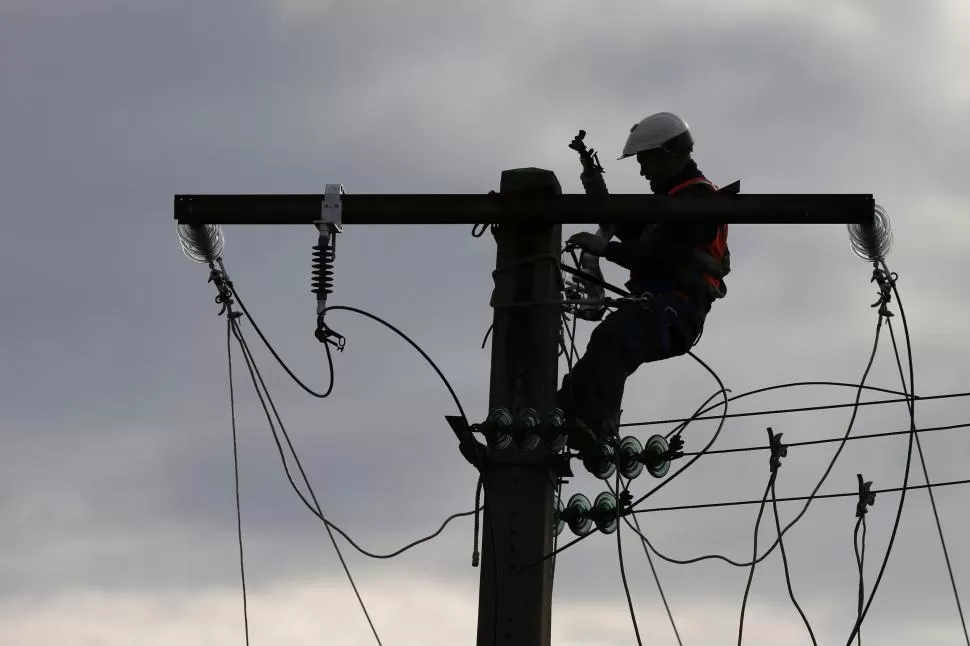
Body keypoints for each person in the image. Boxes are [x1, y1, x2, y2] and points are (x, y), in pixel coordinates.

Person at [557, 112, 731, 463]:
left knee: (613, 341)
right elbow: (625, 225)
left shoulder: (699, 201)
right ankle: (556, 419)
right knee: (597, 358)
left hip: (677, 310)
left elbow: (660, 256)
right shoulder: (669, 203)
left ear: (667, 156)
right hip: (658, 306)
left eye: (645, 161)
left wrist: (605, 248)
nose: (642, 171)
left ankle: (599, 430)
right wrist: (594, 181)